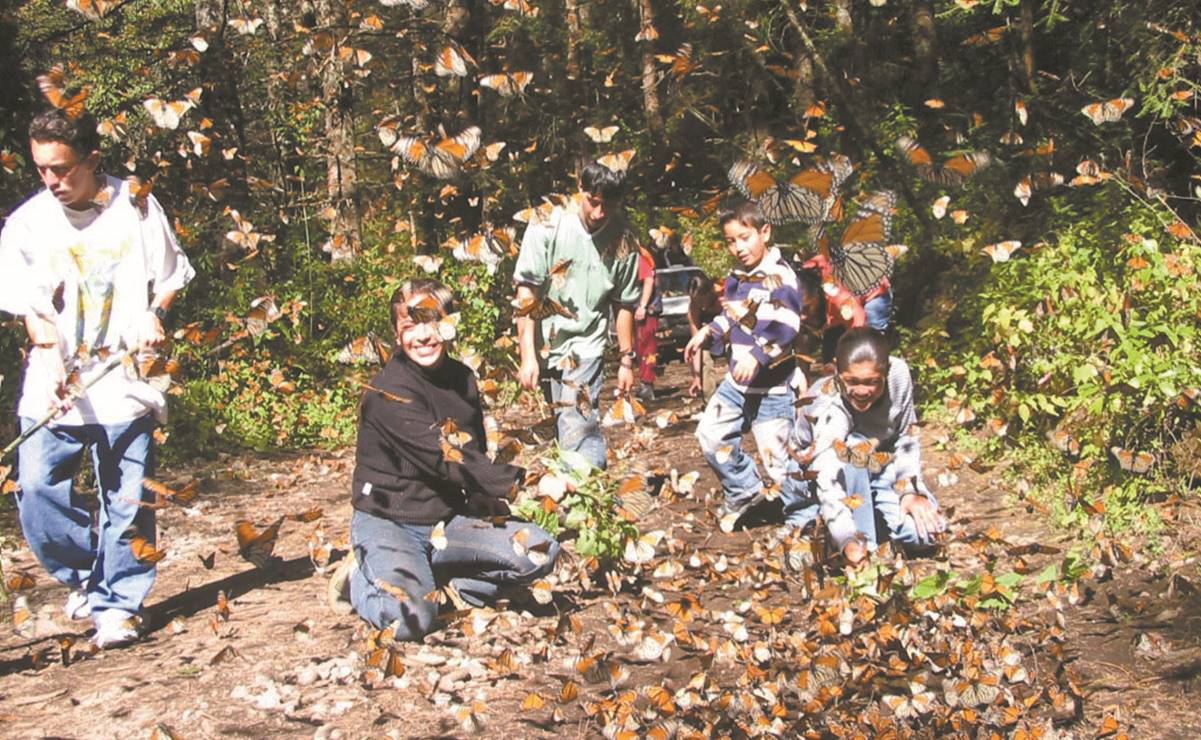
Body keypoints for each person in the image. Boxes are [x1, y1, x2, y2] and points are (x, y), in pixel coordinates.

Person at [0, 108, 194, 648]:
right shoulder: (26, 225)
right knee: (36, 488)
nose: (53, 181)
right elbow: (31, 309)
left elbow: (171, 274)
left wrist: (156, 312)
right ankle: (86, 576)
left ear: (92, 160)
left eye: (63, 169)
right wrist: (50, 353)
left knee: (128, 501)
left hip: (126, 383)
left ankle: (118, 605)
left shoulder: (134, 204)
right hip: (55, 387)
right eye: (42, 169)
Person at [333, 279, 559, 640]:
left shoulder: (462, 378)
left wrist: (482, 498)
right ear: (396, 333)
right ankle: (361, 578)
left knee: (540, 551)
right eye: (410, 326)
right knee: (409, 620)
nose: (423, 336)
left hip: (447, 522)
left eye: (433, 322)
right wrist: (525, 481)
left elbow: (472, 451)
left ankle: (450, 584)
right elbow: (447, 457)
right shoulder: (387, 392)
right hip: (390, 522)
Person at [513, 161, 642, 470]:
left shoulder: (624, 239)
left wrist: (626, 360)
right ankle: (578, 493)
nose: (599, 213)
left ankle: (586, 496)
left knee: (578, 421)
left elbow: (623, 303)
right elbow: (527, 292)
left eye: (608, 206)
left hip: (587, 344)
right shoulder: (547, 222)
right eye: (593, 202)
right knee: (563, 421)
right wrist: (527, 356)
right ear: (580, 189)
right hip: (548, 341)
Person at [778, 328, 945, 563]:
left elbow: (907, 436)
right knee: (855, 447)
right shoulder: (827, 405)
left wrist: (910, 490)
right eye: (852, 381)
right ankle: (839, 533)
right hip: (815, 477)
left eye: (872, 382)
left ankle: (868, 522)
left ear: (886, 371)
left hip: (878, 465)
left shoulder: (899, 376)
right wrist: (849, 538)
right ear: (835, 371)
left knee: (926, 535)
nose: (862, 391)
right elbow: (828, 475)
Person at [685, 201, 801, 529]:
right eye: (731, 241)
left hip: (772, 389)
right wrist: (709, 331)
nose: (738, 247)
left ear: (765, 232)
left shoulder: (780, 276)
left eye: (745, 237)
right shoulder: (738, 278)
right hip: (737, 386)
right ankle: (744, 489)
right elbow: (732, 315)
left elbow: (788, 326)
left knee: (781, 465)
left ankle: (805, 520)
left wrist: (758, 355)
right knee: (710, 434)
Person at [798, 252, 892, 366]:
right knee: (831, 355)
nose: (802, 316)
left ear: (817, 296)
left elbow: (858, 330)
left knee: (868, 344)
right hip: (839, 293)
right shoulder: (798, 279)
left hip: (873, 289)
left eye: (806, 309)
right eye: (797, 311)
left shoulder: (841, 300)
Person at [685, 274, 721, 398]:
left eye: (701, 300)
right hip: (706, 333)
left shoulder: (722, 297)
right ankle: (709, 399)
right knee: (705, 358)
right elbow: (696, 344)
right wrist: (697, 376)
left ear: (710, 292)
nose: (700, 305)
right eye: (695, 301)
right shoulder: (693, 309)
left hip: (730, 328)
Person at [632, 243, 660, 401]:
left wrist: (642, 305)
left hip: (647, 312)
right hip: (639, 310)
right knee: (640, 347)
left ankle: (648, 385)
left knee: (648, 347)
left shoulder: (641, 259)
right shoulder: (636, 258)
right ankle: (644, 383)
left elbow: (648, 280)